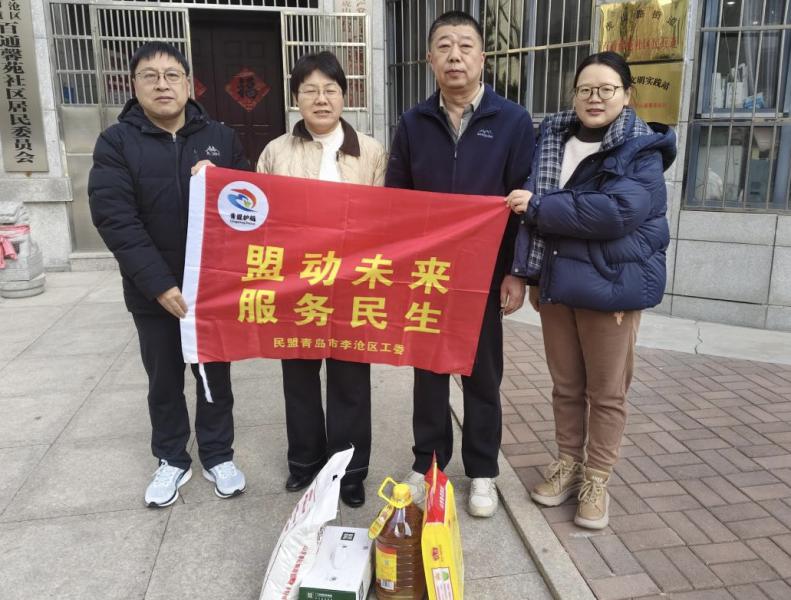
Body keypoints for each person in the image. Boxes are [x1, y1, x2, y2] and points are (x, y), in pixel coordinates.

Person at [506, 51, 676, 529]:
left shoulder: (640, 150)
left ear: (627, 95)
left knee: (606, 392)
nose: (595, 98)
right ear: (574, 95)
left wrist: (539, 207)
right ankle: (568, 463)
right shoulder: (552, 140)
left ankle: (597, 477)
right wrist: (529, 272)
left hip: (611, 287)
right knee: (566, 386)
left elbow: (616, 212)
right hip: (557, 283)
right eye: (585, 90)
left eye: (606, 89)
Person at [386, 11, 534, 518]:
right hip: (427, 274)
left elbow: (522, 203)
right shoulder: (413, 122)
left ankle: (483, 471)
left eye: (465, 46)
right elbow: (397, 201)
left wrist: (516, 271)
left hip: (485, 274)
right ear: (430, 59)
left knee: (482, 375)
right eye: (445, 46)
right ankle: (428, 464)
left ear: (482, 57)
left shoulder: (512, 121)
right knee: (428, 372)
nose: (455, 56)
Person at [89, 42, 250, 507]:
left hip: (212, 290)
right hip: (153, 292)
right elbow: (115, 218)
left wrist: (222, 182)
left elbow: (251, 204)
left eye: (172, 75)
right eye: (150, 76)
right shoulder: (116, 143)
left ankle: (218, 454)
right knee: (163, 379)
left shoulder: (220, 138)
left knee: (214, 378)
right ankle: (171, 458)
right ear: (134, 85)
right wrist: (159, 284)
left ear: (187, 83)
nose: (162, 85)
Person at [256, 51, 386, 508]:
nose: (321, 98)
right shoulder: (275, 151)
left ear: (344, 96)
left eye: (330, 89)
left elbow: (386, 217)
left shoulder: (370, 151)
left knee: (351, 380)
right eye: (309, 90)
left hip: (352, 284)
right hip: (296, 283)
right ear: (296, 98)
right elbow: (258, 219)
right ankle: (305, 464)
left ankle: (348, 473)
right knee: (299, 377)